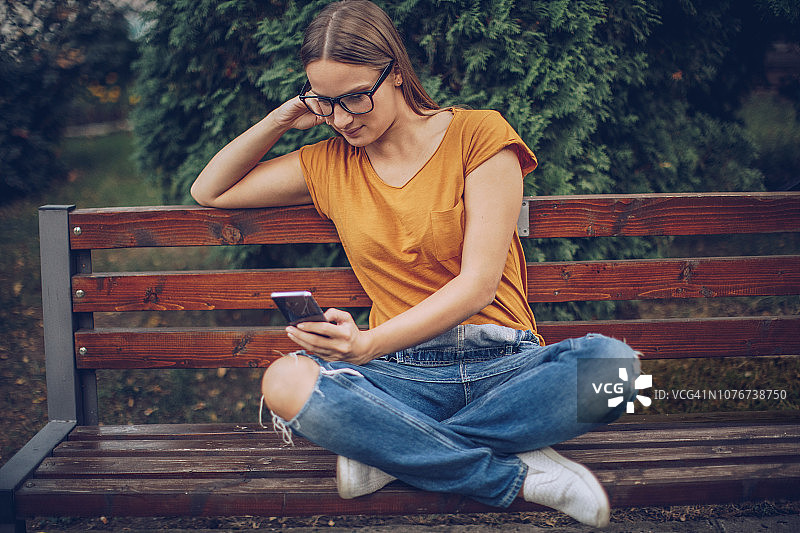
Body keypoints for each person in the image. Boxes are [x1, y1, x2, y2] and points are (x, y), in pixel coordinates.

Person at [191, 0, 639, 527]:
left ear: (397, 74)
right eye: (324, 102)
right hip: (401, 376)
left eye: (356, 97)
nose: (341, 119)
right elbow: (210, 190)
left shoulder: (480, 136)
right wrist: (282, 117)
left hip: (504, 364)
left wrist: (366, 344)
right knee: (284, 383)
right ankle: (518, 475)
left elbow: (477, 286)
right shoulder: (330, 162)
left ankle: (388, 450)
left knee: (619, 372)